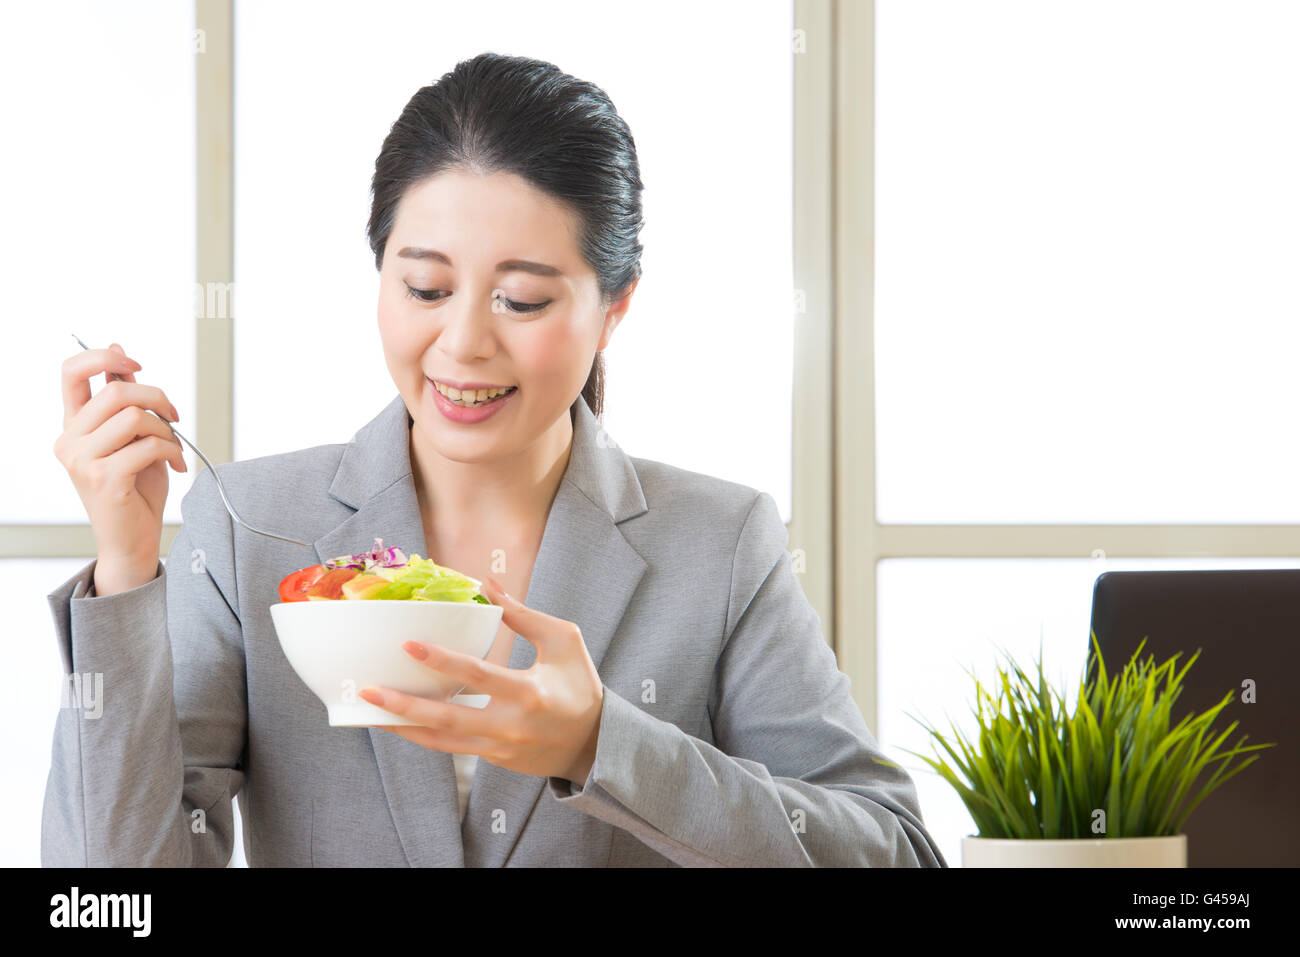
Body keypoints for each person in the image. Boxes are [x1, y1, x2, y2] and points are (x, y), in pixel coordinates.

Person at [44, 52, 946, 867]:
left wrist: (602, 744)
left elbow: (894, 851)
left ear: (615, 307)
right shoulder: (250, 528)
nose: (463, 341)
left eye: (521, 299)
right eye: (426, 287)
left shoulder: (718, 540)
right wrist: (126, 571)